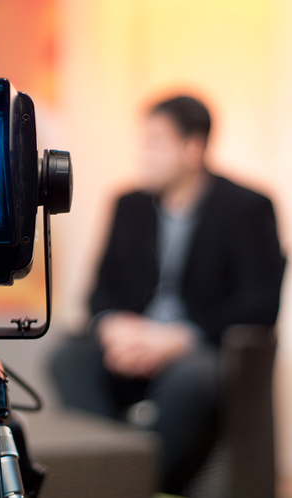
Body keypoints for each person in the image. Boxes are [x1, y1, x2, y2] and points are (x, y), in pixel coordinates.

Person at [50, 96, 285, 492]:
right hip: (132, 342)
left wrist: (177, 338)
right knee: (69, 358)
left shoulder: (248, 207)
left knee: (192, 376)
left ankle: (127, 482)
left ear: (193, 148)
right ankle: (104, 465)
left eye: (157, 143)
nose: (145, 155)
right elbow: (100, 293)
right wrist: (112, 327)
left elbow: (260, 304)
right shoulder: (129, 205)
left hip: (196, 349)